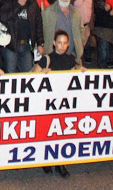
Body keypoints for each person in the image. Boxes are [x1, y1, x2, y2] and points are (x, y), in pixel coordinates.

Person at [32, 30, 85, 179]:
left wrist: (82, 72)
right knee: (48, 132)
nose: (62, 46)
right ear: (54, 43)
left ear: (68, 45)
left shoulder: (71, 60)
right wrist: (42, 74)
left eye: (65, 43)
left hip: (64, 102)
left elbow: (75, 79)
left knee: (62, 133)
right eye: (59, 43)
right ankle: (46, 160)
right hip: (48, 103)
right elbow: (30, 79)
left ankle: (60, 163)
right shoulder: (46, 59)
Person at [0, 0, 44, 73]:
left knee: (28, 73)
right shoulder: (7, 1)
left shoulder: (32, 3)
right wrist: (18, 5)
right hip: (10, 45)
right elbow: (3, 18)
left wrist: (40, 43)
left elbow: (38, 24)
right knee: (10, 73)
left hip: (26, 45)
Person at [42, 0, 84, 66]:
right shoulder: (47, 12)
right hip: (53, 56)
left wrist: (80, 45)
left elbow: (82, 30)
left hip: (72, 55)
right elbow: (40, 30)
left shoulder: (76, 13)